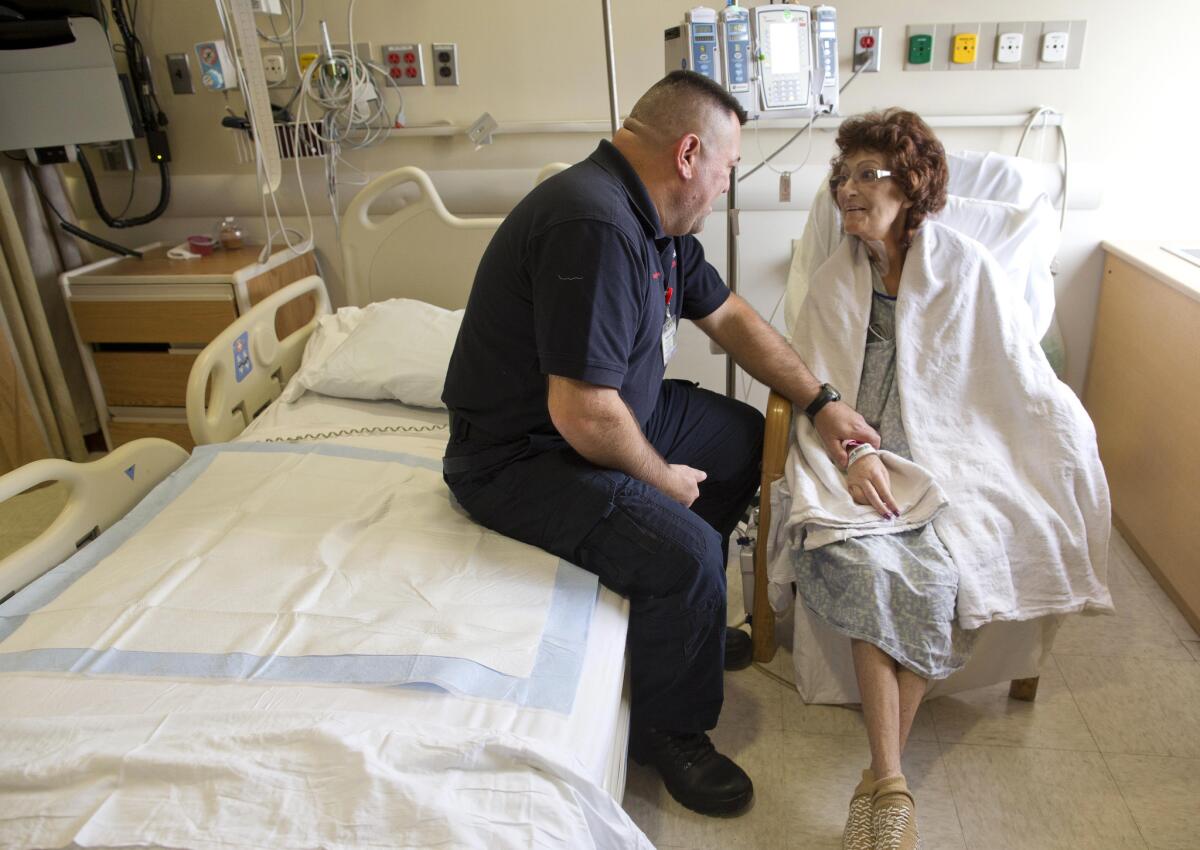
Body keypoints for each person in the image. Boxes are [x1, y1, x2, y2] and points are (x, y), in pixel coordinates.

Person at [441, 70, 878, 817]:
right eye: (727, 169)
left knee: (743, 441)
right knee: (685, 550)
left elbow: (733, 318)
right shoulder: (595, 222)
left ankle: (679, 626)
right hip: (521, 455)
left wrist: (822, 401)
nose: (724, 187)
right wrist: (660, 483)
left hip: (613, 418)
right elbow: (582, 412)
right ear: (687, 155)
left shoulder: (659, 227)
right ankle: (669, 733)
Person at [783, 109, 1111, 850]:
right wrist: (852, 450)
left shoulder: (966, 265)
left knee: (946, 573)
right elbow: (812, 380)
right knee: (865, 559)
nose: (849, 191)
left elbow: (1009, 373)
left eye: (870, 174)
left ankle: (880, 782)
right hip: (858, 448)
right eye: (843, 177)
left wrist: (1050, 430)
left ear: (915, 185)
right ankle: (893, 783)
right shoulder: (838, 275)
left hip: (951, 448)